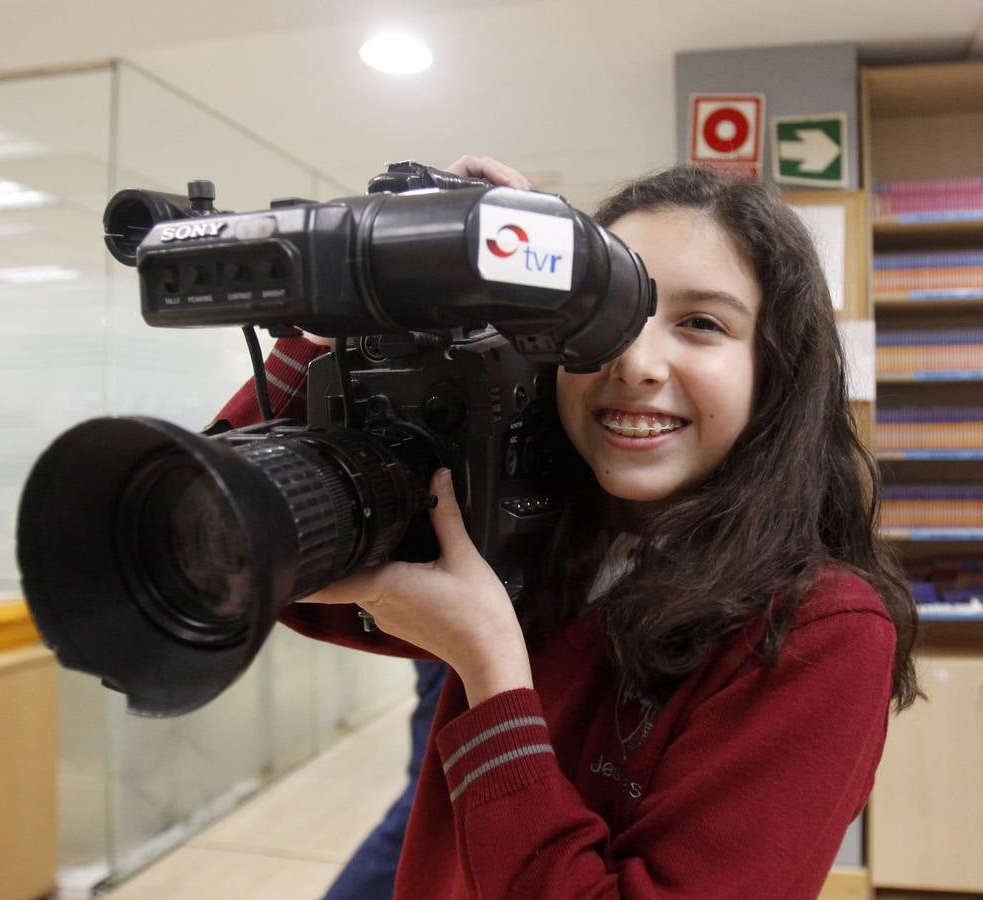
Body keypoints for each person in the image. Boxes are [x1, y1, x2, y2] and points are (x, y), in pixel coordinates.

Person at [218, 156, 920, 899]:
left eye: (701, 323)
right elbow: (239, 546)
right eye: (600, 317)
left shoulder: (820, 631)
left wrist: (491, 670)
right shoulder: (528, 533)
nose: (636, 362)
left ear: (777, 369)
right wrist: (352, 314)